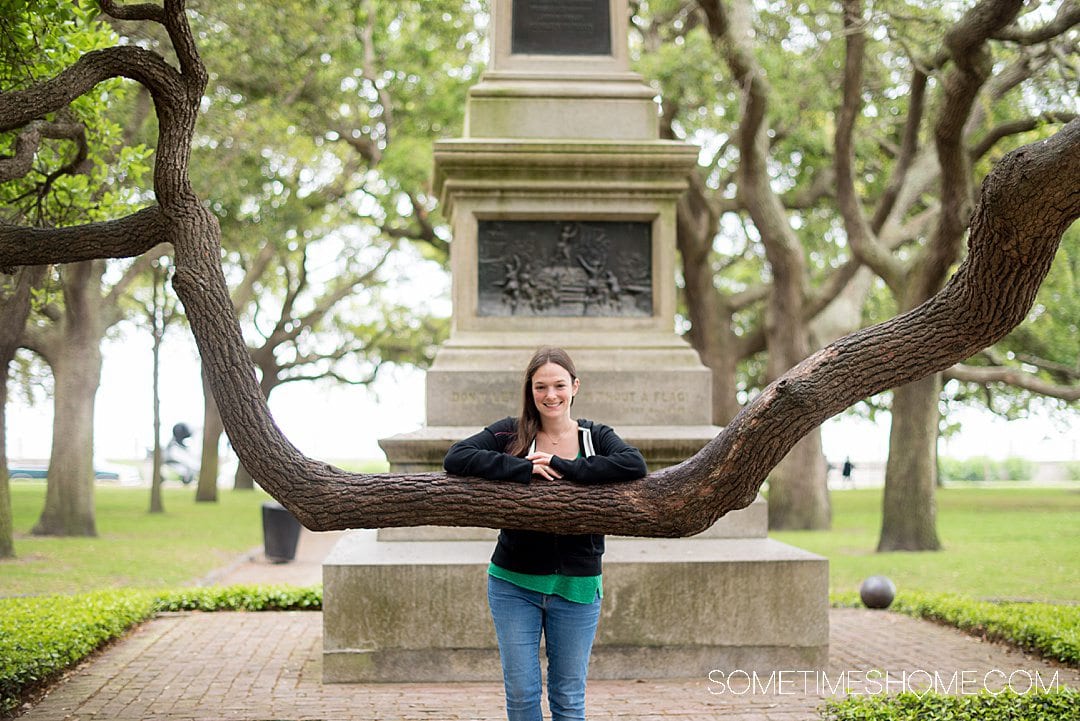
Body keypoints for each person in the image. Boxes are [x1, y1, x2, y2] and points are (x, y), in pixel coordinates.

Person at [443, 347, 647, 721]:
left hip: (577, 588)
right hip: (513, 585)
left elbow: (633, 464)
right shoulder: (510, 433)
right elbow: (456, 457)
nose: (550, 395)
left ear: (575, 386)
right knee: (522, 696)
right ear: (530, 390)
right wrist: (520, 467)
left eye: (558, 385)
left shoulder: (595, 437)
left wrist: (563, 466)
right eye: (540, 387)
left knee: (568, 699)